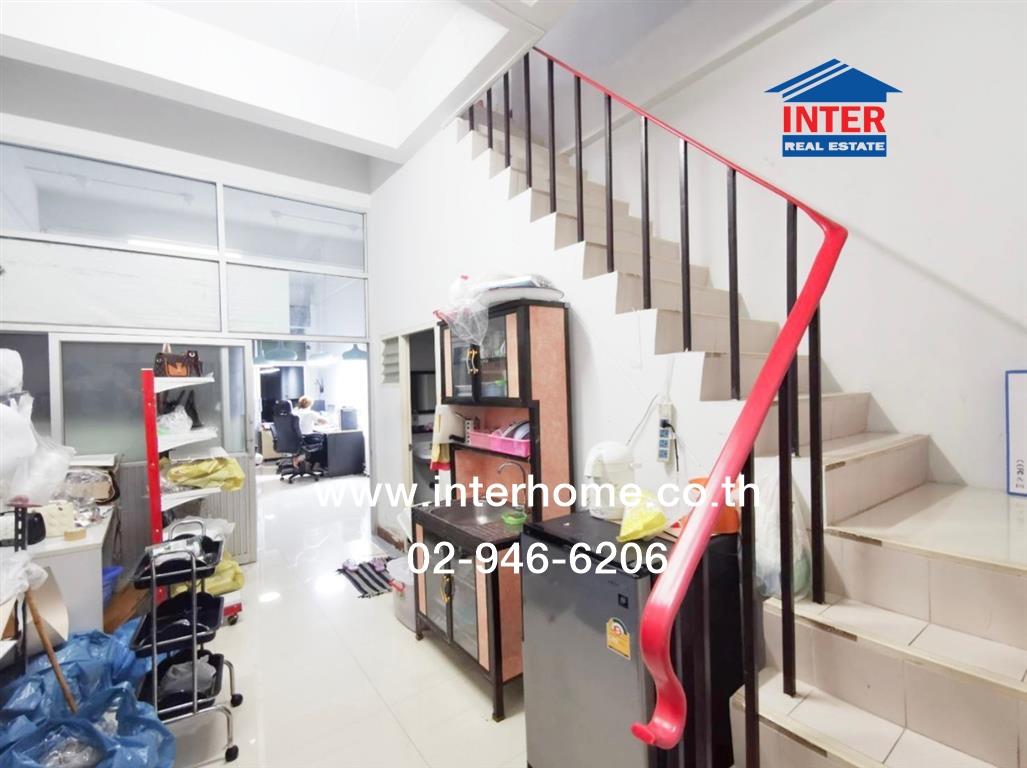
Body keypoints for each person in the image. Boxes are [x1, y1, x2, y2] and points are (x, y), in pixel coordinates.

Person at [293, 395, 328, 471]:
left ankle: (310, 463)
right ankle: (317, 465)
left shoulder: (295, 413)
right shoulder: (310, 413)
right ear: (310, 404)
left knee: (320, 440)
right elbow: (325, 421)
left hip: (297, 439)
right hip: (307, 438)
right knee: (325, 441)